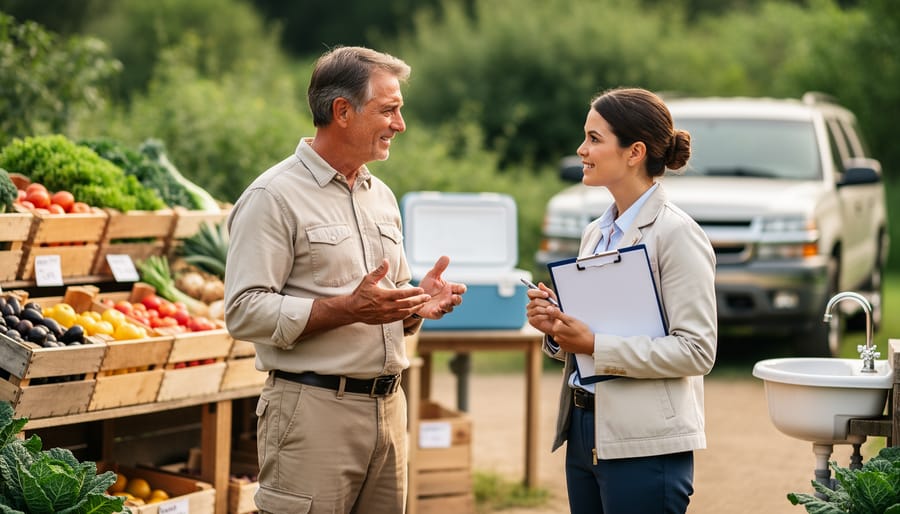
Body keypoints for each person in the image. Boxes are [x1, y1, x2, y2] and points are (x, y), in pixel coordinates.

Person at [223, 45, 467, 514]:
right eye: (389, 110)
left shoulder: (382, 196)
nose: (400, 124)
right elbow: (242, 311)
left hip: (390, 410)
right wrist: (346, 309)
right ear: (342, 112)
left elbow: (383, 301)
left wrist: (416, 306)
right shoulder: (272, 196)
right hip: (312, 414)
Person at [525, 87, 717, 514]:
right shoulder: (596, 231)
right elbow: (597, 332)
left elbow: (697, 351)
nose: (582, 149)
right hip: (584, 431)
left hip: (645, 443)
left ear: (634, 152)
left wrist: (593, 343)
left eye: (594, 138)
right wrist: (558, 328)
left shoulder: (677, 234)